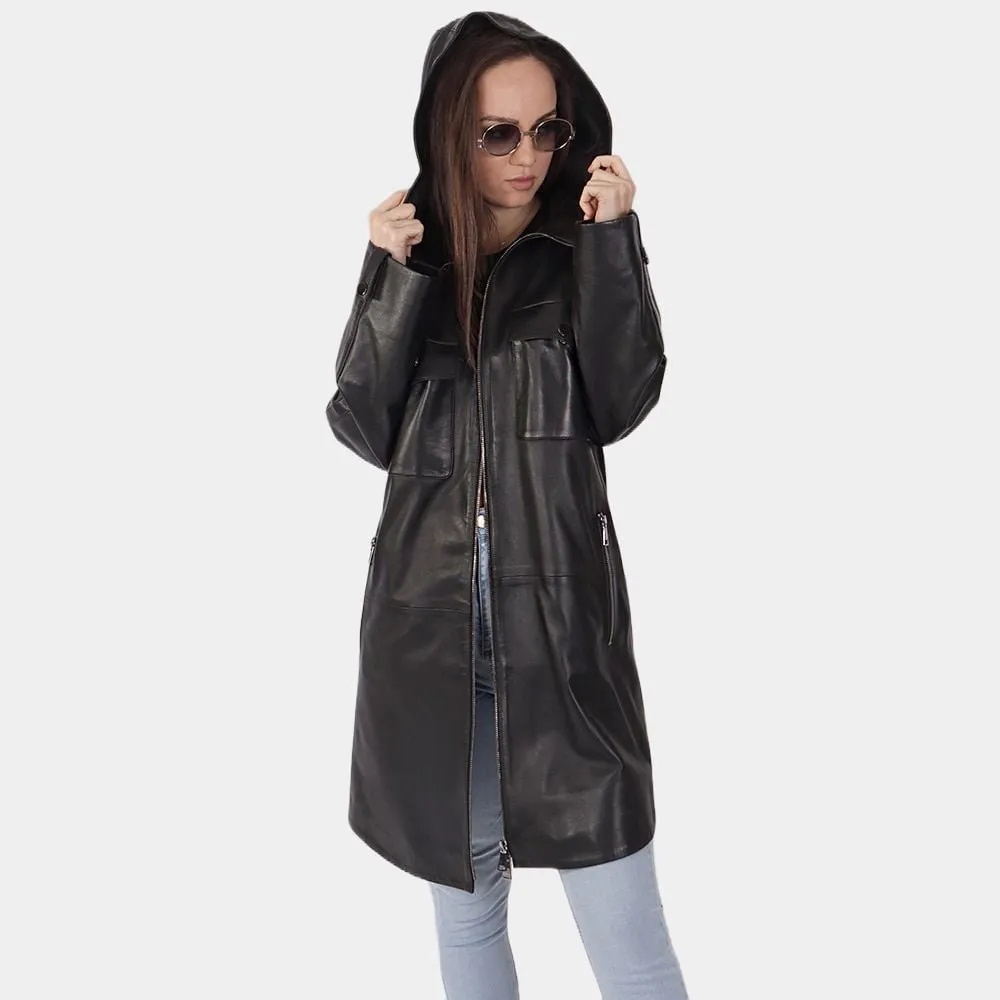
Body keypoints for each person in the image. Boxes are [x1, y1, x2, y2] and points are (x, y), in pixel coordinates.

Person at [325, 11, 688, 999]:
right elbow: (360, 423)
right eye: (498, 133)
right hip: (429, 643)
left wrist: (612, 244)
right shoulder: (416, 260)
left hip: (564, 638)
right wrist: (389, 277)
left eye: (546, 130)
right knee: (468, 908)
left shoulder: (579, 249)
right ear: (452, 132)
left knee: (627, 931)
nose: (527, 156)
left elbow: (622, 400)